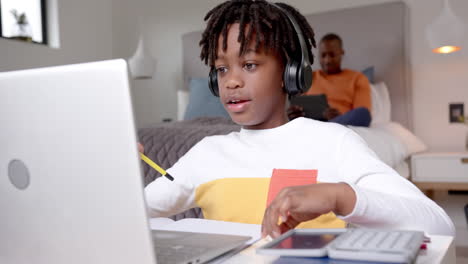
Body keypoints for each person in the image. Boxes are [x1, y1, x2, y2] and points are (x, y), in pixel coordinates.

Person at [144, 0, 454, 239]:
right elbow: (131, 214)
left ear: (291, 73)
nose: (231, 82)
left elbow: (439, 225)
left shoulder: (334, 142)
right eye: (222, 69)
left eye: (249, 64)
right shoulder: (206, 152)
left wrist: (339, 196)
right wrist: (114, 176)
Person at [287, 33, 372, 127]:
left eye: (332, 55)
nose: (327, 61)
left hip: (341, 121)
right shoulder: (309, 77)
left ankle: (328, 126)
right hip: (312, 122)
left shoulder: (357, 78)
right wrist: (294, 113)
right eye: (323, 55)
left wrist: (338, 117)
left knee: (363, 113)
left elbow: (361, 113)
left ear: (341, 53)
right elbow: (297, 105)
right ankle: (324, 127)